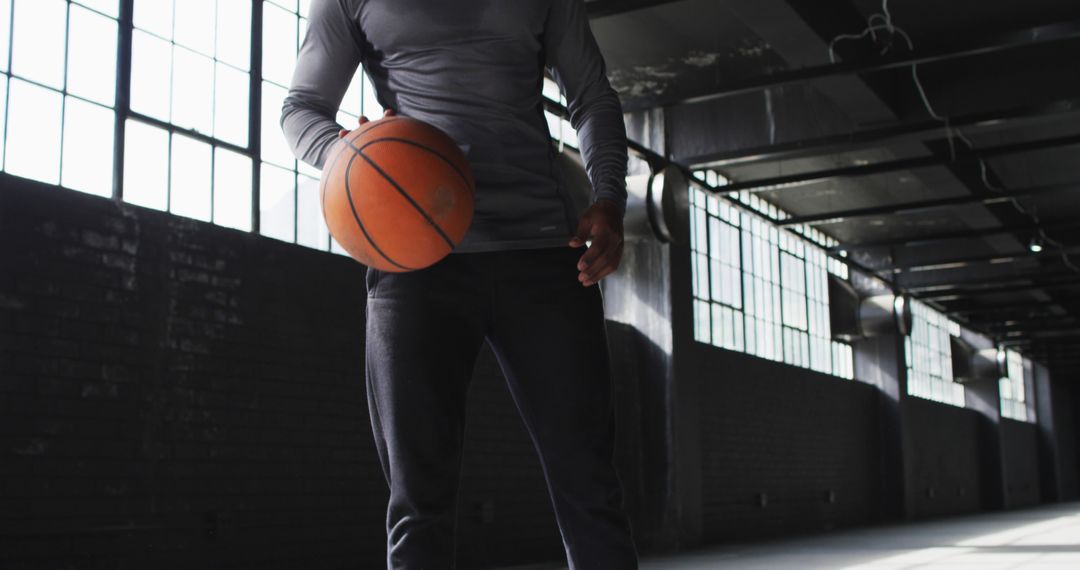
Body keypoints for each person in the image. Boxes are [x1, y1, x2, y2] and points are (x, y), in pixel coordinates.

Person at [281, 0, 638, 567]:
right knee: (418, 503)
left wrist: (609, 198)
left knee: (590, 488)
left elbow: (592, 96)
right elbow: (302, 109)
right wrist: (351, 158)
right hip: (416, 265)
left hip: (545, 252)